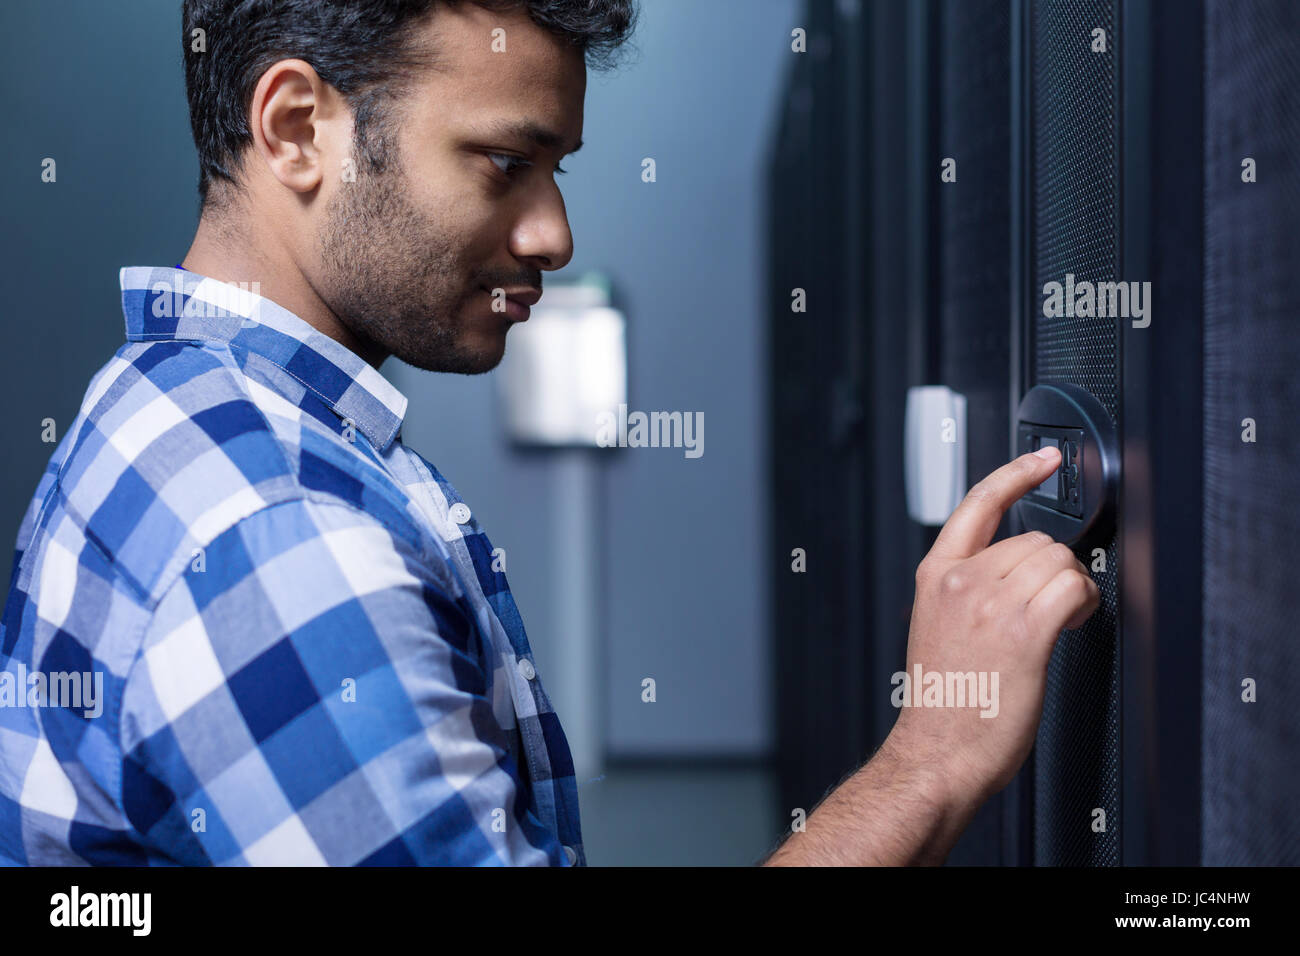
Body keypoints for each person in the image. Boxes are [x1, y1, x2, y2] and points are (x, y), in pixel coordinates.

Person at [0, 0, 1097, 866]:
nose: (554, 233)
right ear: (296, 128)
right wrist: (932, 758)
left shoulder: (156, 401)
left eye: (555, 168)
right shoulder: (279, 542)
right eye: (501, 161)